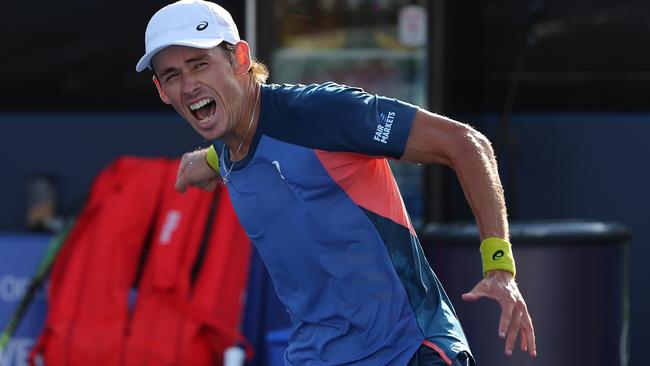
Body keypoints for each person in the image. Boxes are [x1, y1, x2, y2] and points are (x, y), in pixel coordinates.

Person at [135, 1, 537, 365]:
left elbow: (466, 144)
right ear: (161, 91)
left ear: (240, 58)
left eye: (199, 64)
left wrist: (499, 265)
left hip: (409, 351)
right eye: (173, 75)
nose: (189, 85)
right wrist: (202, 160)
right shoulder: (225, 144)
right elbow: (247, 150)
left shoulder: (321, 113)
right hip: (315, 357)